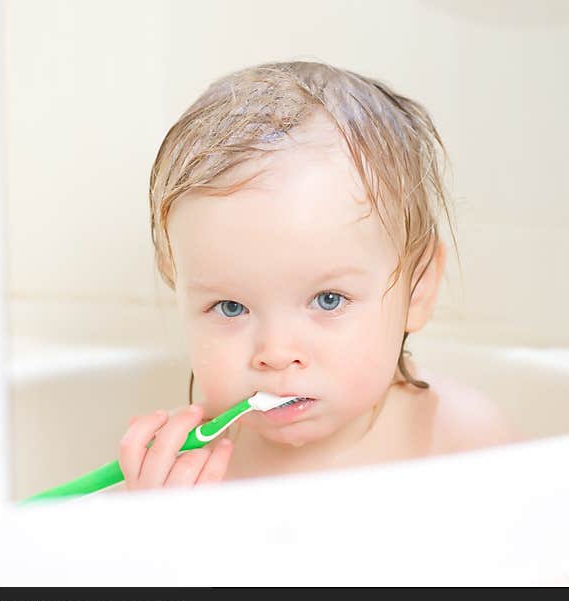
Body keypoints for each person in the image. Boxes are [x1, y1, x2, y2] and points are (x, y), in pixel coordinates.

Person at [118, 61, 520, 492]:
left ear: (418, 287)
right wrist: (153, 521)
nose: (275, 354)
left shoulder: (460, 439)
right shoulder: (192, 471)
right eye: (230, 307)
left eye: (328, 299)